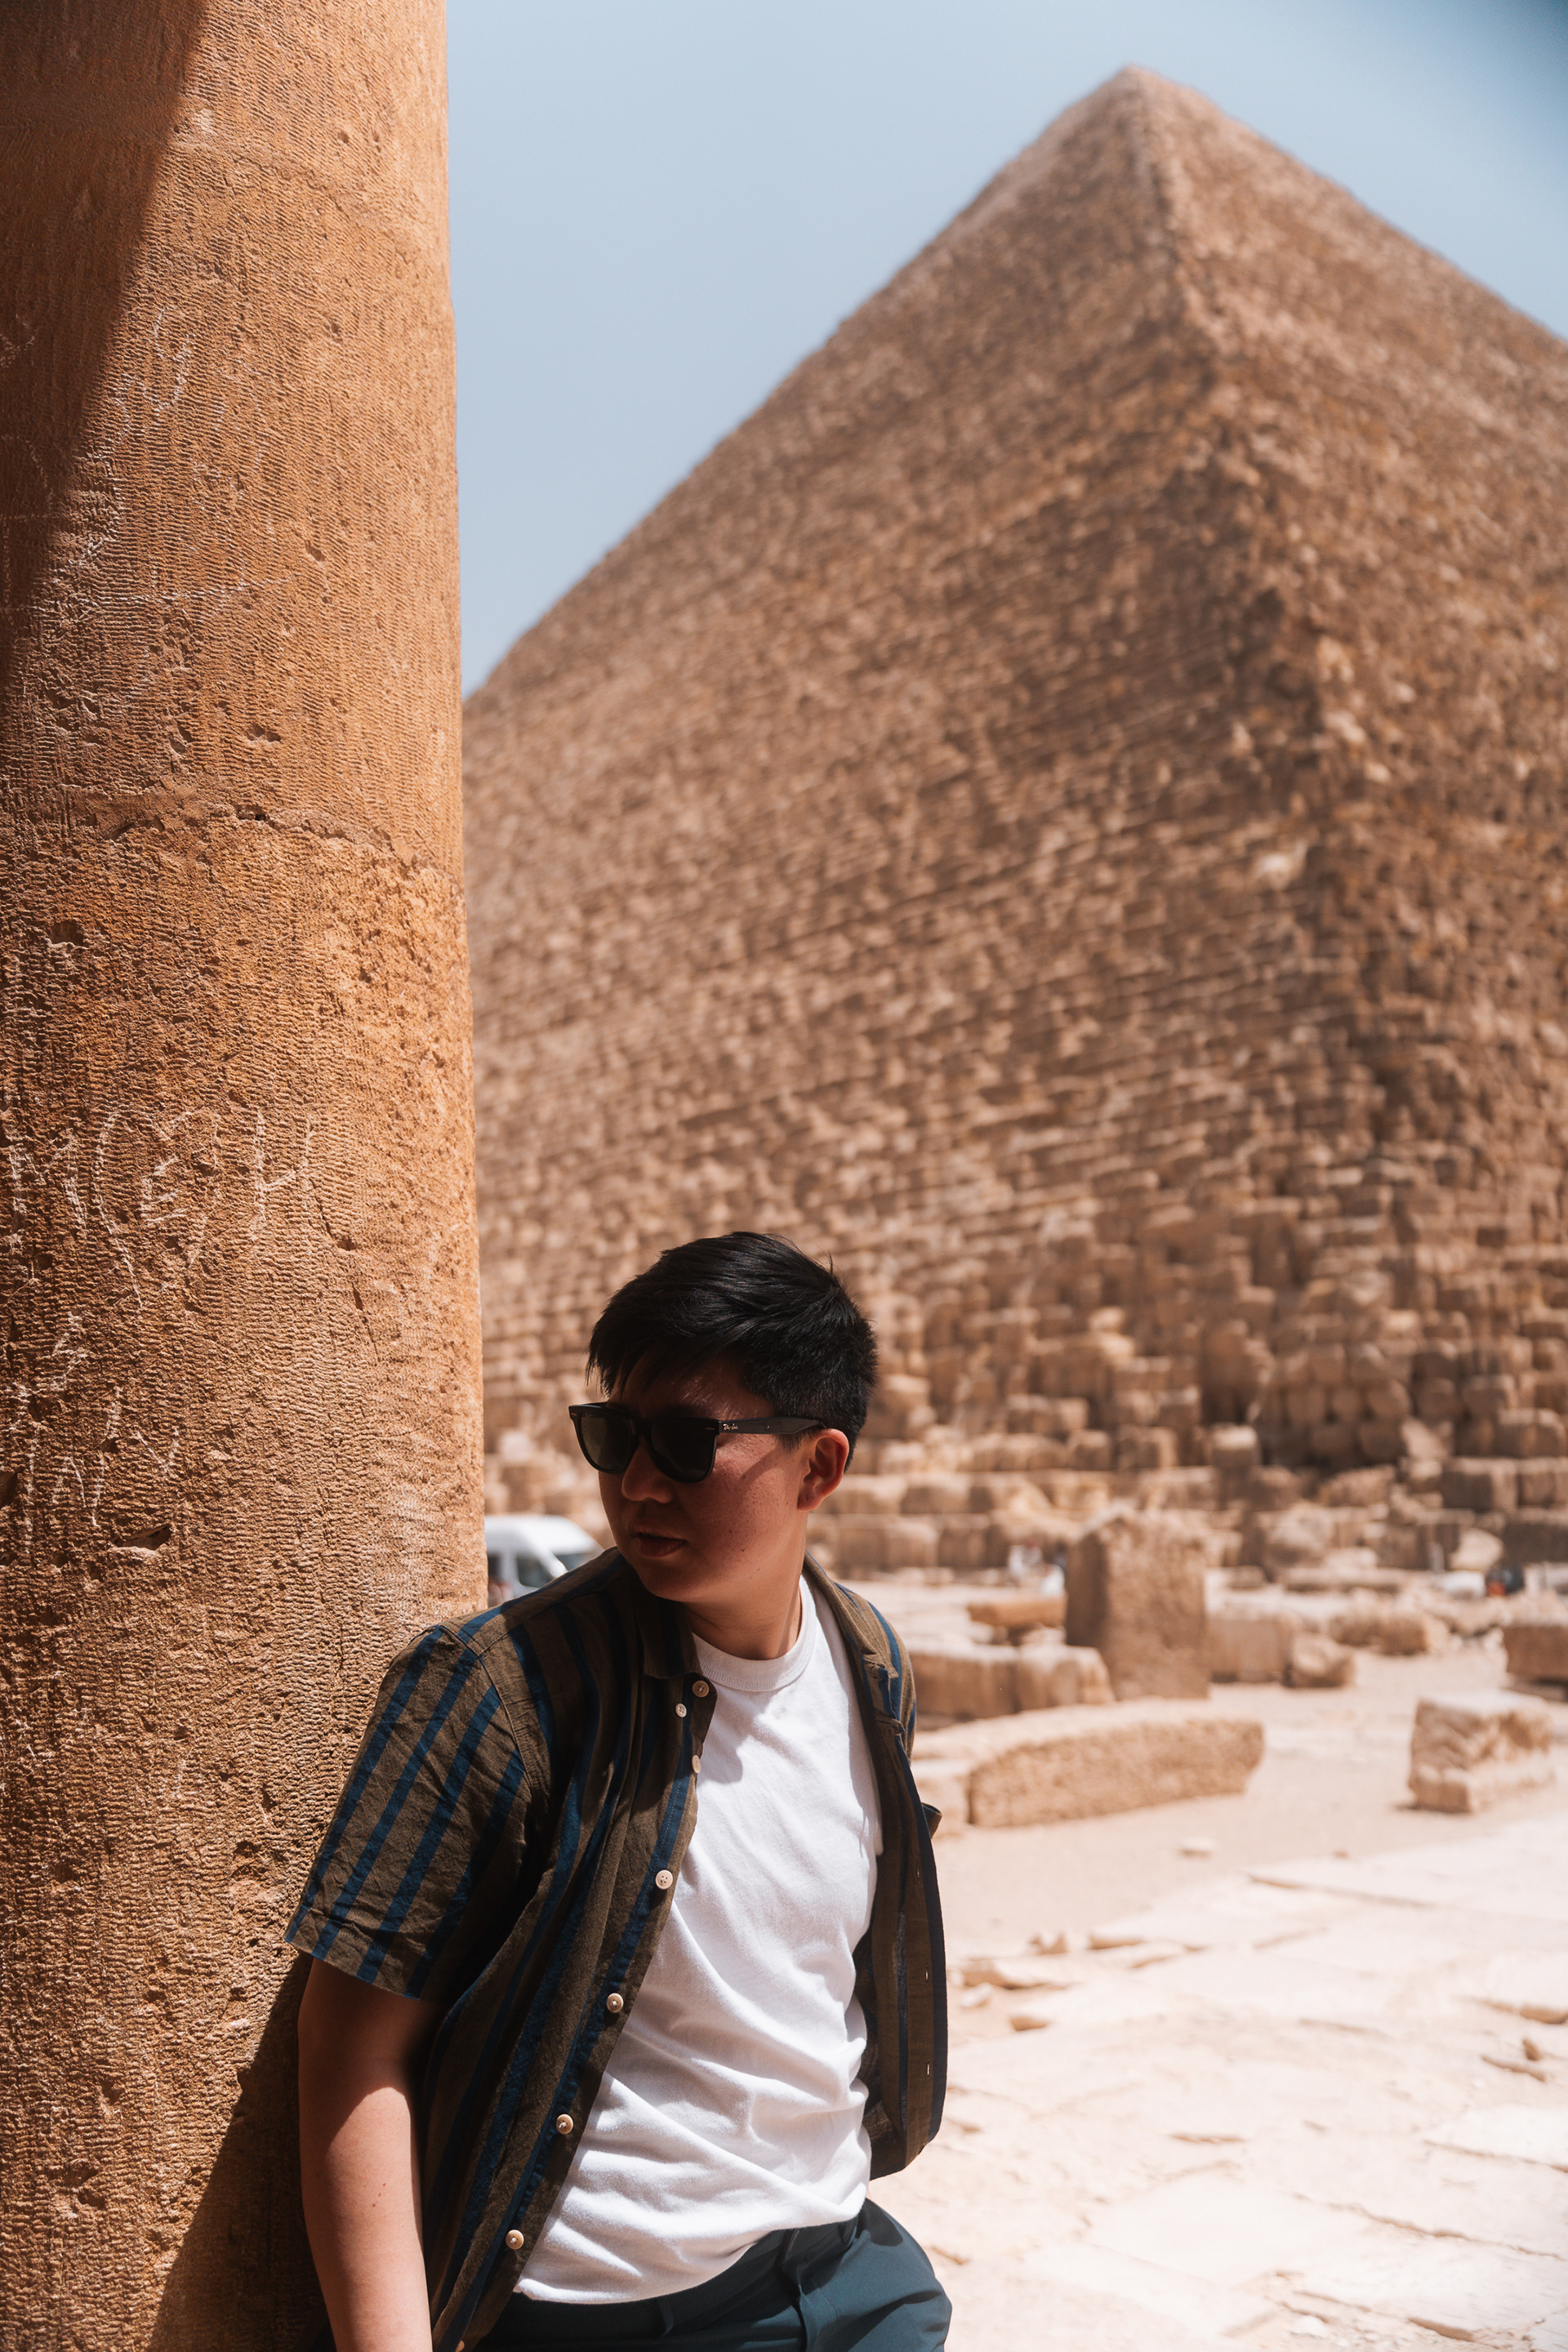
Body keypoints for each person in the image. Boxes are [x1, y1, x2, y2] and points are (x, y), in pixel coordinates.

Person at [291, 1231, 949, 2352]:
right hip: (611, 2316)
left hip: (845, 2276)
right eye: (616, 1436)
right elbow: (352, 2050)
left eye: (688, 1444)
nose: (638, 1483)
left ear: (819, 1468)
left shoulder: (871, 1664)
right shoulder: (501, 1694)